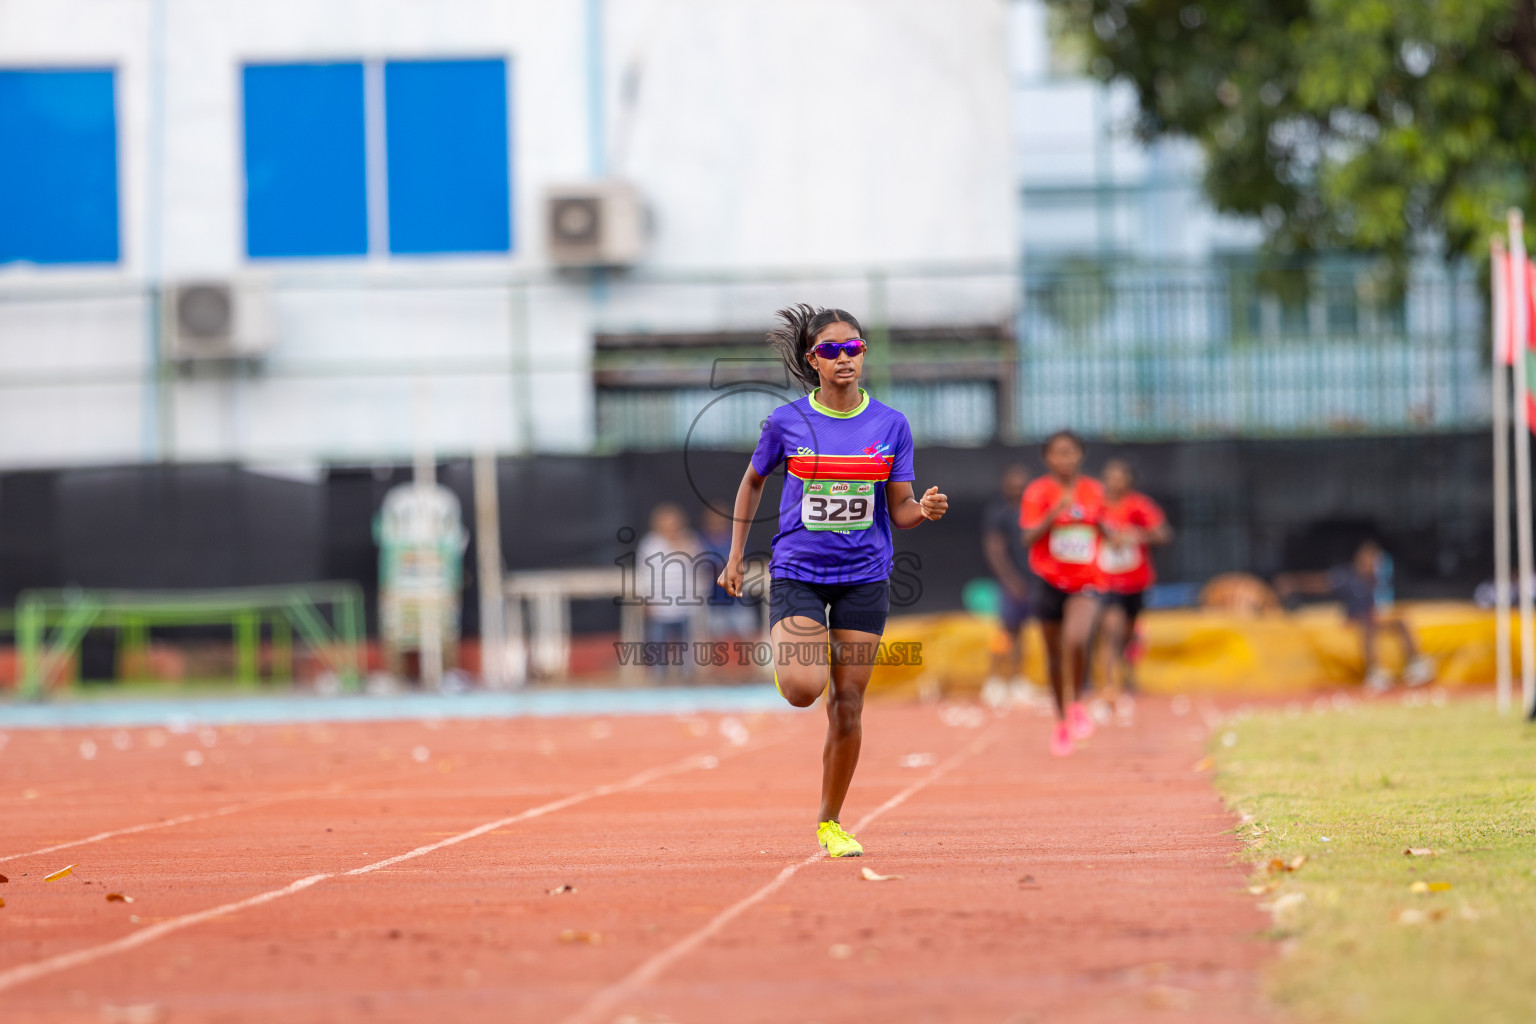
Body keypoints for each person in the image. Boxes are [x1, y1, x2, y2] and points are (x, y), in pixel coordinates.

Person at [718, 304, 948, 858]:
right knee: (803, 690)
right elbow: (752, 483)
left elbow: (901, 510)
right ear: (812, 360)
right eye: (831, 350)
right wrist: (734, 556)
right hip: (799, 567)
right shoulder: (788, 422)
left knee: (847, 704)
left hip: (864, 575)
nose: (845, 358)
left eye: (854, 348)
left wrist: (926, 509)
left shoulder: (891, 425)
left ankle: (831, 822)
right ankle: (794, 661)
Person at [1019, 430, 1103, 757]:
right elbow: (1027, 538)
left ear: (1080, 455)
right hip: (1048, 580)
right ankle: (1061, 720)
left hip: (1085, 581)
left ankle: (1078, 700)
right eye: (1058, 453)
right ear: (1047, 458)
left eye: (1070, 452)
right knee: (1053, 656)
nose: (1064, 459)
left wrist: (1113, 532)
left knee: (1077, 638)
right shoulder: (1038, 492)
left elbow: (1102, 525)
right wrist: (1054, 514)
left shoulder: (1094, 491)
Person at [1274, 539, 1435, 691]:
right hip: (1355, 621)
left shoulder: (1375, 580)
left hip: (1370, 619)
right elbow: (1320, 583)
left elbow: (1382, 606)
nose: (1372, 563)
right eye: (1369, 558)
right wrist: (1295, 582)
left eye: (1375, 559)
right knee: (1368, 624)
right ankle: (1374, 672)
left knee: (1399, 621)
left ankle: (1416, 664)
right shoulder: (1347, 576)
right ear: (1359, 558)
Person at [1090, 458, 1171, 718]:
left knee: (1127, 631)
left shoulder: (1138, 506)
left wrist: (1135, 535)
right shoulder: (1096, 507)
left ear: (1129, 480)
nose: (1114, 481)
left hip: (1135, 581)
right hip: (1105, 580)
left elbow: (1163, 534)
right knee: (1110, 629)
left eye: (1120, 476)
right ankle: (1109, 683)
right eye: (1110, 476)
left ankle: (1128, 673)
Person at [982, 464, 1037, 696]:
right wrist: (1010, 579)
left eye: (1021, 486)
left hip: (1031, 580)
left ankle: (1017, 680)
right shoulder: (999, 513)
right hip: (1010, 582)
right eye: (1013, 486)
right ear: (1005, 487)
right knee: (1004, 630)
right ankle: (994, 680)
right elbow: (995, 550)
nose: (1017, 490)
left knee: (1021, 631)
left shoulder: (1033, 512)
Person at [636, 502, 705, 679]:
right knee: (658, 646)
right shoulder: (650, 544)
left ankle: (686, 678)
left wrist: (678, 543)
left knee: (685, 648)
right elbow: (644, 575)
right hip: (660, 605)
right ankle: (658, 679)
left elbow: (700, 565)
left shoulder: (690, 539)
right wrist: (646, 600)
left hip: (686, 605)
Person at [699, 503, 761, 640]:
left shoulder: (736, 540)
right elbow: (703, 566)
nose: (718, 521)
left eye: (721, 518)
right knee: (717, 644)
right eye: (714, 518)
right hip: (714, 603)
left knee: (749, 637)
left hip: (738, 601)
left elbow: (745, 563)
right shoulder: (700, 541)